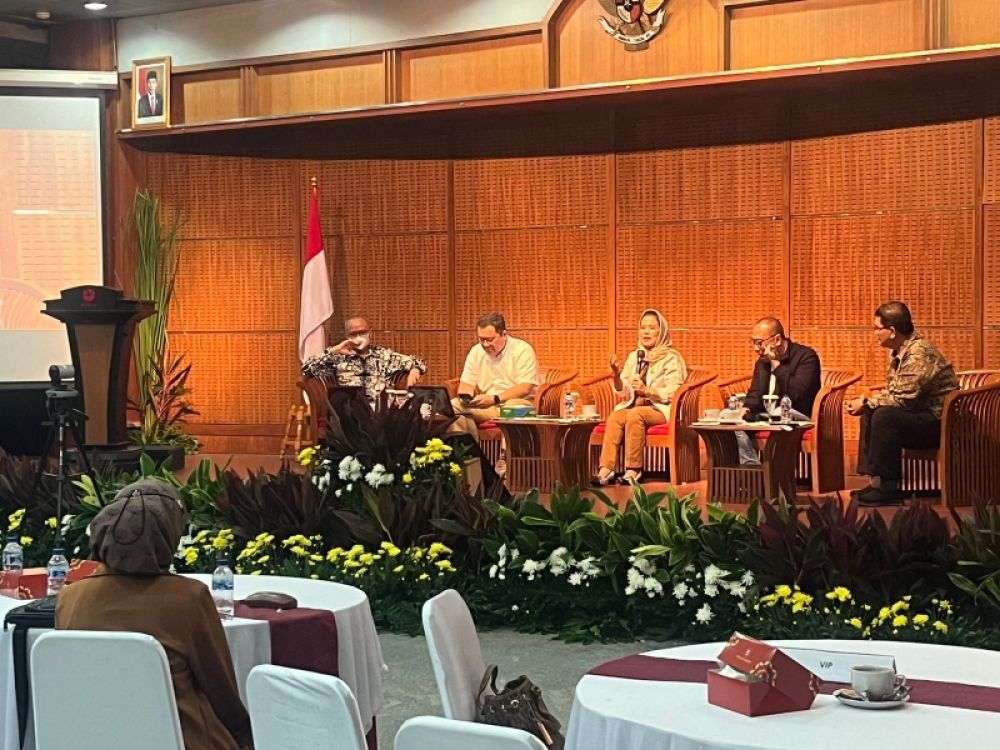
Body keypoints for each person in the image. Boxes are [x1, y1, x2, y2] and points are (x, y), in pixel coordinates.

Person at [56, 479, 252, 750]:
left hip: (94, 740)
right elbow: (221, 692)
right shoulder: (188, 598)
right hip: (180, 740)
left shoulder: (69, 598)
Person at [846, 301, 958, 506]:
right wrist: (868, 404)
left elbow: (904, 398)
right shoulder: (900, 351)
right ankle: (877, 483)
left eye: (877, 328)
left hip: (940, 423)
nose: (874, 333)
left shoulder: (918, 353)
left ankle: (889, 489)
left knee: (884, 415)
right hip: (919, 415)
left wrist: (867, 402)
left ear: (891, 331)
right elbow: (896, 391)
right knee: (872, 412)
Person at [594, 308, 686, 485]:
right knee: (616, 416)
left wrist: (648, 391)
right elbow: (624, 392)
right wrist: (616, 376)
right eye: (643, 328)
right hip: (634, 406)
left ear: (661, 331)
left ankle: (633, 469)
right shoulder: (635, 356)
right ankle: (606, 469)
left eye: (652, 328)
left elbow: (674, 391)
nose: (646, 332)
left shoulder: (671, 358)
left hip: (660, 409)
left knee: (635, 415)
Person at [449, 312, 539, 490]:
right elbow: (466, 383)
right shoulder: (476, 351)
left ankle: (504, 461)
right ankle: (471, 458)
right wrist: (467, 397)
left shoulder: (522, 350)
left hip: (520, 404)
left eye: (489, 340)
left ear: (503, 334)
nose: (485, 344)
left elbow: (525, 387)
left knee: (512, 407)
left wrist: (495, 398)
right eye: (481, 339)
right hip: (487, 405)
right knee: (454, 407)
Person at [736, 317, 821, 465]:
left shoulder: (806, 357)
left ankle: (775, 474)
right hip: (767, 416)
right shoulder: (762, 362)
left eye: (759, 343)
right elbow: (756, 392)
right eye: (753, 342)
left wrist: (776, 365)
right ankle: (753, 471)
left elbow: (798, 394)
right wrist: (746, 408)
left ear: (777, 340)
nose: (756, 348)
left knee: (777, 413)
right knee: (735, 423)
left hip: (799, 414)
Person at [301, 315, 426, 405]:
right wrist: (335, 350)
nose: (358, 337)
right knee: (339, 398)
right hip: (351, 409)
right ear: (347, 336)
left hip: (380, 410)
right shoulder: (338, 358)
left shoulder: (384, 355)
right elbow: (307, 368)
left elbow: (418, 361)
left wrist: (414, 370)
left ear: (370, 334)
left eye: (362, 332)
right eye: (353, 334)